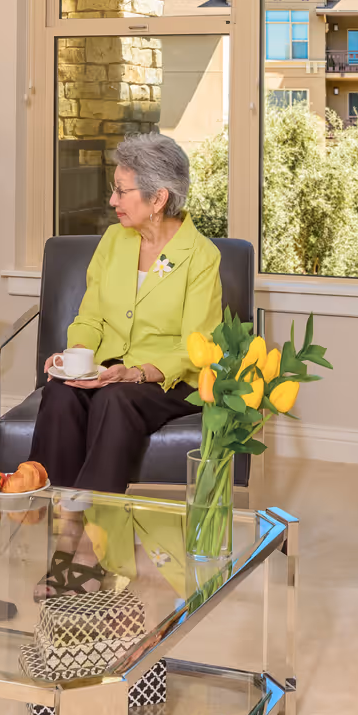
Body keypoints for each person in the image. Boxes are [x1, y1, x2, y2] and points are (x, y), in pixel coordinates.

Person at [27, 133, 223, 494]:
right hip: (106, 367)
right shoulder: (114, 240)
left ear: (159, 198)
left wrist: (135, 373)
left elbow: (196, 346)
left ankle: (92, 524)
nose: (112, 200)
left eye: (122, 191)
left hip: (167, 380)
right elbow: (89, 318)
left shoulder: (201, 256)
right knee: (59, 393)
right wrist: (75, 359)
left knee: (115, 398)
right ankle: (49, 508)